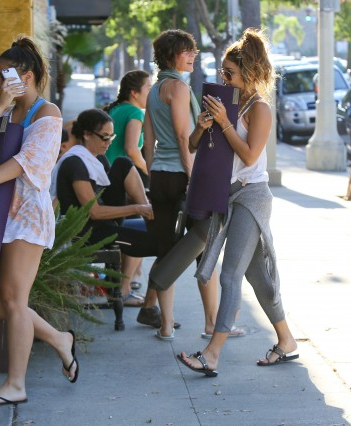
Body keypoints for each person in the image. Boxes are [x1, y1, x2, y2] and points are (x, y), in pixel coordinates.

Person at [177, 28, 298, 376]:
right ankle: (286, 341)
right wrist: (203, 125)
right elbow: (197, 147)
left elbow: (248, 156)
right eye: (221, 72)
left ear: (249, 73)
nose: (223, 78)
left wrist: (227, 123)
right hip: (226, 196)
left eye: (229, 73)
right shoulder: (226, 103)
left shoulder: (259, 108)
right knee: (259, 278)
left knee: (229, 275)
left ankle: (212, 354)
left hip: (252, 196)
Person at [0, 36, 78, 406]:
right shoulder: (7, 108)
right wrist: (0, 105)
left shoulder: (48, 114)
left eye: (5, 75)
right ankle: (61, 340)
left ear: (26, 75)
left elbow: (31, 163)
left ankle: (15, 385)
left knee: (14, 299)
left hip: (26, 216)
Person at [141, 29, 220, 339]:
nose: (193, 55)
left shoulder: (154, 88)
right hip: (182, 177)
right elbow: (184, 138)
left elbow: (148, 140)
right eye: (187, 51)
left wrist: (151, 173)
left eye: (194, 51)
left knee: (166, 251)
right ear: (172, 55)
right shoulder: (179, 88)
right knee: (204, 249)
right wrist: (192, 178)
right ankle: (212, 325)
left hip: (160, 176)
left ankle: (165, 326)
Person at [51, 108, 157, 306]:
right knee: (161, 245)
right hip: (83, 232)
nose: (109, 143)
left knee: (123, 163)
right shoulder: (75, 162)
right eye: (105, 137)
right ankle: (139, 300)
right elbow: (95, 212)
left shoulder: (96, 158)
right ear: (87, 134)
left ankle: (150, 216)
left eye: (112, 137)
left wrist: (143, 208)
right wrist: (137, 209)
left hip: (100, 225)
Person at [102, 70, 152, 295]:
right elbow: (133, 149)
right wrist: (149, 170)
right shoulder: (134, 112)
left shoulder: (115, 109)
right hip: (123, 180)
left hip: (106, 179)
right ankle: (124, 288)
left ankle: (125, 283)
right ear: (134, 92)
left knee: (125, 233)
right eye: (148, 88)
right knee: (137, 234)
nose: (150, 93)